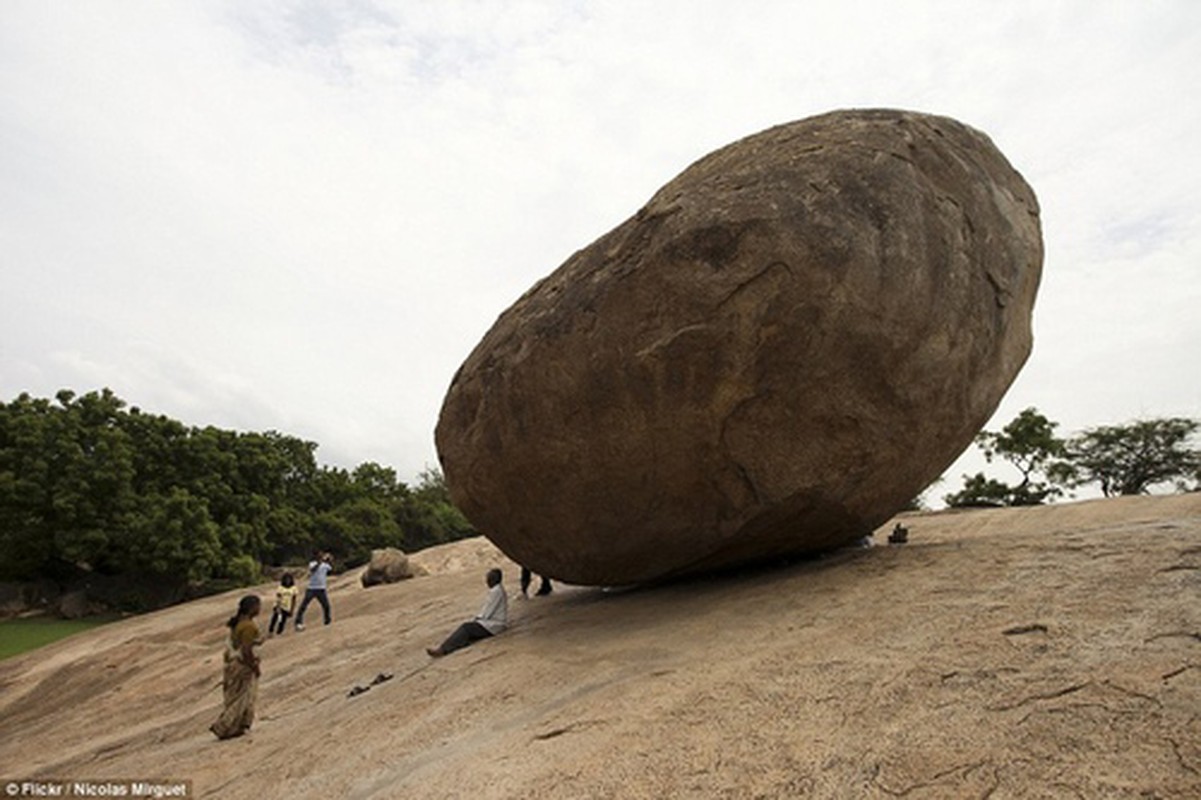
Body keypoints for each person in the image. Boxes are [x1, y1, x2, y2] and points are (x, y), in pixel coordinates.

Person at [210, 594, 263, 740]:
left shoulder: (240, 622)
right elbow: (246, 650)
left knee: (236, 695)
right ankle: (225, 726)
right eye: (258, 606)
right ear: (252, 608)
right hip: (242, 665)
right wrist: (254, 667)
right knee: (244, 697)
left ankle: (236, 726)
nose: (260, 609)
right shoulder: (248, 626)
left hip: (232, 664)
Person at [427, 568, 508, 657]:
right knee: (469, 630)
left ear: (494, 579)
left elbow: (488, 612)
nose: (486, 581)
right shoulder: (497, 590)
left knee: (466, 628)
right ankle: (454, 645)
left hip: (494, 624)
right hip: (493, 623)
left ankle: (442, 650)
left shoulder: (496, 591)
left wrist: (477, 619)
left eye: (488, 578)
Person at [295, 551, 333, 631]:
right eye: (319, 556)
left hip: (321, 588)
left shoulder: (325, 565)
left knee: (326, 606)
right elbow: (313, 570)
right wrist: (320, 562)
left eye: (321, 556)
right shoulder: (312, 563)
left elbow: (331, 568)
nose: (321, 557)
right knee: (303, 606)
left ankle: (327, 621)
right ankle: (298, 622)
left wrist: (329, 559)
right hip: (312, 588)